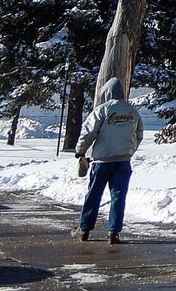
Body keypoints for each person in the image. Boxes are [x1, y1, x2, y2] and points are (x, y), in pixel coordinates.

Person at [75, 79, 145, 243]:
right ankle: (113, 231)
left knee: (93, 194)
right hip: (123, 161)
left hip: (102, 161)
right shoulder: (132, 111)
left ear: (106, 93)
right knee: (119, 196)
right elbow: (139, 134)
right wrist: (129, 150)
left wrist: (80, 151)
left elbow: (88, 133)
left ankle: (84, 228)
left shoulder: (102, 110)